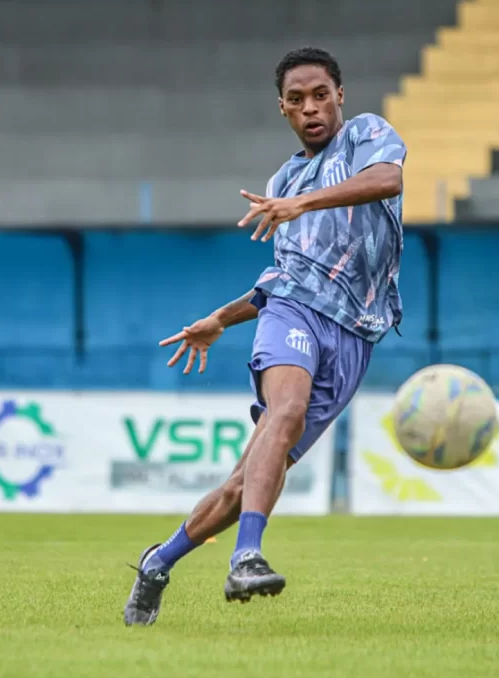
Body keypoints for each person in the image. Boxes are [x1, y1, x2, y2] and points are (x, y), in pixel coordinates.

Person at [123, 46, 406, 626]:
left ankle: (158, 562)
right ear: (282, 108)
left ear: (340, 97)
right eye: (297, 100)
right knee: (287, 410)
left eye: (321, 95)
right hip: (293, 314)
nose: (311, 108)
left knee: (240, 485)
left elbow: (387, 179)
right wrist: (221, 320)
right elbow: (283, 279)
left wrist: (300, 202)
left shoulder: (366, 138)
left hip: (355, 335)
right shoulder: (285, 178)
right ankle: (247, 556)